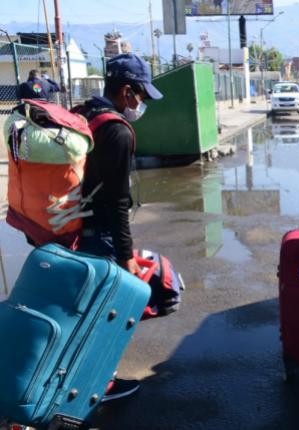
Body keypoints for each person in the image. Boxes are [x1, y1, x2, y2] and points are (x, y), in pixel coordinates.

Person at [75, 53, 163, 401]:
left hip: (71, 226)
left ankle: (79, 379)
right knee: (106, 314)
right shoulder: (116, 131)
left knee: (83, 311)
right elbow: (118, 201)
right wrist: (126, 255)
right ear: (127, 91)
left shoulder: (85, 113)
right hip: (100, 235)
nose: (141, 104)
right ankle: (99, 386)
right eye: (141, 96)